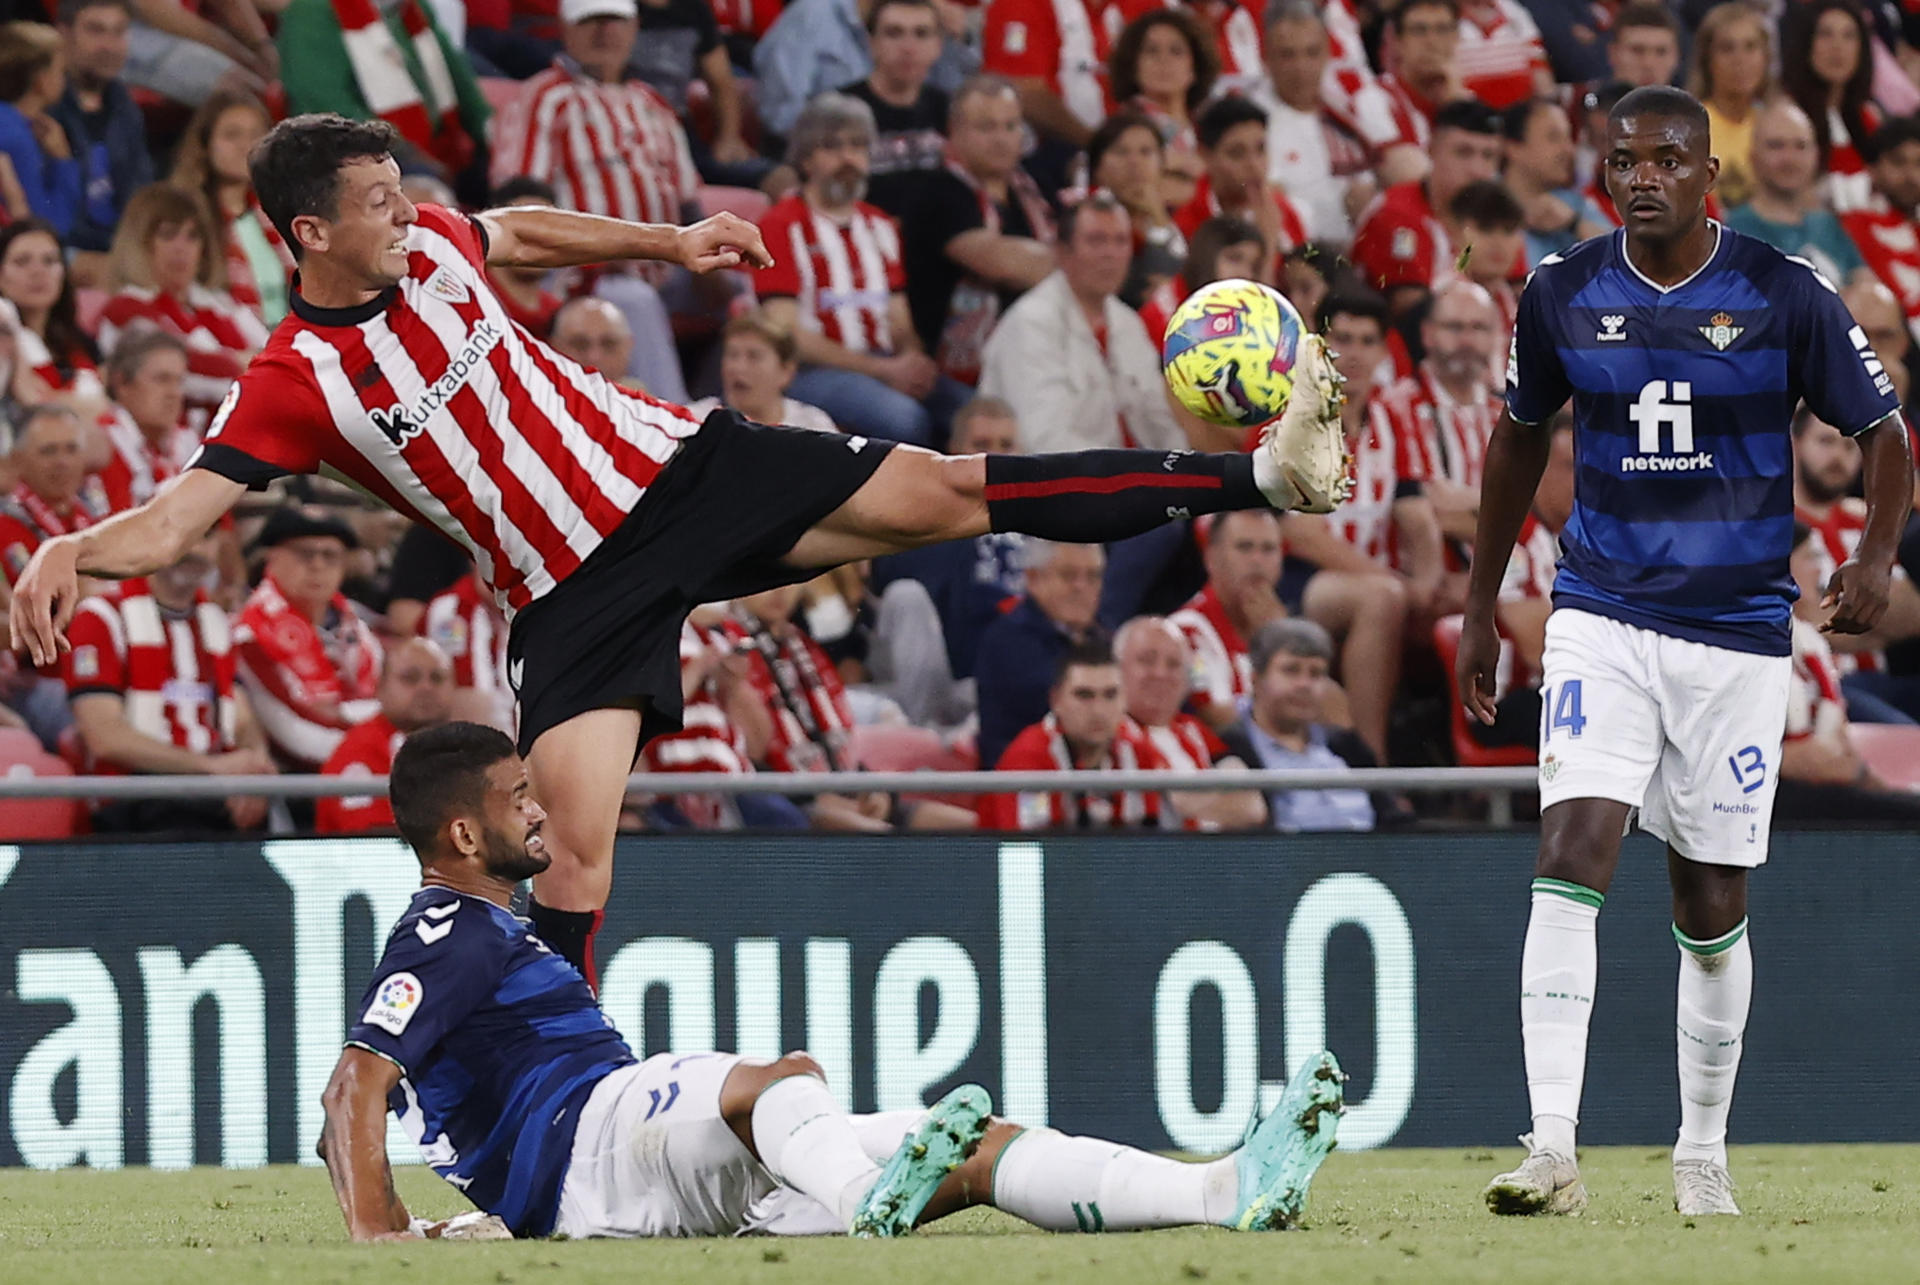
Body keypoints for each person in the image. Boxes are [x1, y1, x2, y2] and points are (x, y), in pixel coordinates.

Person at [8, 111, 1349, 989]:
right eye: (379, 200)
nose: (409, 212)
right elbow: (184, 516)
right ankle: (559, 1111)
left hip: (678, 465)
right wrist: (77, 542)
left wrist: (669, 240)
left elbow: (520, 230)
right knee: (571, 856)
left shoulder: (438, 254)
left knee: (951, 488)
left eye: (406, 189)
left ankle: (1256, 472)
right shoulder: (294, 376)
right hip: (574, 586)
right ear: (311, 234)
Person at [318, 720, 1345, 1241]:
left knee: (973, 1151)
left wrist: (444, 1215)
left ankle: (1224, 1189)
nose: (538, 812)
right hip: (593, 1139)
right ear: (462, 831)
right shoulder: (449, 926)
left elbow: (347, 1114)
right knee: (779, 1080)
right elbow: (354, 1083)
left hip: (609, 1180)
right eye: (517, 799)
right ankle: (865, 1206)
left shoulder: (487, 929)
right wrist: (380, 1233)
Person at [1457, 85, 1911, 1219]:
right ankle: (1551, 1145)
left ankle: (1700, 1149)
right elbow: (1517, 447)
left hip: (1739, 635)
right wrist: (1478, 604)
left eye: (1666, 158)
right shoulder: (1558, 293)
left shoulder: (1783, 291)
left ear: (1713, 176)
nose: (1641, 176)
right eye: (1623, 159)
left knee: (1709, 904)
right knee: (1573, 844)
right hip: (1601, 610)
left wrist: (1876, 558)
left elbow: (1885, 435)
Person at [1280, 293, 1439, 762]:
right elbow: (1299, 533)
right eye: (1342, 339)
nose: (1354, 353)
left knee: (1457, 590)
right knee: (1382, 599)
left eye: (1367, 341)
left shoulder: (1391, 417)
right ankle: (1373, 763)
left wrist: (1427, 584)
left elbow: (1414, 512)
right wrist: (1390, 580)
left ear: (1383, 353)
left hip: (1367, 572)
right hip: (1298, 577)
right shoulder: (1295, 417)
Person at [755, 93, 964, 448]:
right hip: (812, 371)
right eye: (832, 147)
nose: (848, 158)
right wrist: (882, 371)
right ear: (806, 158)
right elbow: (788, 335)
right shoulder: (780, 225)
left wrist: (912, 360)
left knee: (970, 412)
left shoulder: (880, 224)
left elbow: (899, 319)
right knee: (904, 420)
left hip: (882, 363)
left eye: (858, 146)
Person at [62, 527, 274, 832]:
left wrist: (254, 768)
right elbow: (105, 738)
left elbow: (242, 719)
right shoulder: (101, 617)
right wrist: (211, 769)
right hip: (134, 798)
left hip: (211, 794)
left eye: (206, 535)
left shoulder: (215, 621)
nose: (194, 546)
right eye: (183, 532)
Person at [979, 193, 1186, 456]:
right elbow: (1043, 441)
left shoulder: (1128, 323)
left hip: (1122, 480)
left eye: (1120, 241)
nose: (1110, 254)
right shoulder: (1030, 323)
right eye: (1096, 240)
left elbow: (1160, 420)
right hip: (1052, 486)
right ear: (1063, 252)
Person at [866, 397, 1026, 702]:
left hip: (1012, 676)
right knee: (905, 596)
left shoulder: (1040, 521)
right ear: (954, 451)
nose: (993, 456)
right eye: (981, 443)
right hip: (939, 676)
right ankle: (921, 734)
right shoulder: (919, 513)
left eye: (1005, 445)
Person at [899, 76, 1056, 386]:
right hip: (952, 373)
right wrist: (1079, 263)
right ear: (954, 132)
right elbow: (1001, 263)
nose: (1001, 138)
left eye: (1011, 126)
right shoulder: (938, 191)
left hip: (1033, 353)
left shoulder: (1033, 191)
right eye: (986, 127)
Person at [1777, 522, 1920, 821]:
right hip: (1774, 791)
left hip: (1823, 781)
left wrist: (1870, 781)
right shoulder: (1749, 644)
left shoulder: (1808, 643)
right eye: (1810, 558)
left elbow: (1837, 736)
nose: (1820, 571)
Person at [99, 183, 267, 432]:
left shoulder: (220, 303)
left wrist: (242, 366)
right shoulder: (127, 308)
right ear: (140, 243)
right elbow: (189, 371)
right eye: (167, 235)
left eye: (192, 236)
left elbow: (281, 359)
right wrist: (242, 363)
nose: (181, 248)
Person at [1792, 407, 1920, 722]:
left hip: (1885, 679)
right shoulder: (1781, 527)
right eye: (1825, 442)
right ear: (1793, 444)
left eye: (1849, 446)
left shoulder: (1871, 523)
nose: (1838, 456)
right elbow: (1799, 618)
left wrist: (1833, 618)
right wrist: (1875, 610)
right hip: (1824, 687)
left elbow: (1912, 616)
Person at [233, 506, 384, 773]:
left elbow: (391, 704)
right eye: (304, 554)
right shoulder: (250, 635)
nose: (318, 565)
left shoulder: (358, 627)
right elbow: (294, 734)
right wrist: (380, 748)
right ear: (273, 558)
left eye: (330, 555)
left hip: (363, 766)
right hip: (300, 780)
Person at [275, 0, 488, 180]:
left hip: (438, 144)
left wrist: (489, 129)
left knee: (507, 178)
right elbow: (326, 109)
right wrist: (406, 152)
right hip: (355, 158)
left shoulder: (412, 7)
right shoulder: (312, 14)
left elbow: (457, 77)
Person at [982, 638, 1173, 829]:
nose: (1099, 710)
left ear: (1124, 699)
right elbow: (1026, 852)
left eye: (1110, 695)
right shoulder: (1029, 759)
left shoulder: (1140, 752)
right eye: (1084, 695)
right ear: (1056, 700)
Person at [1379, 279, 1504, 548]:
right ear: (1427, 334)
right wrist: (1507, 508)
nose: (1467, 341)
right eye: (1454, 327)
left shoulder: (1506, 415)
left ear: (1495, 336)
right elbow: (1428, 504)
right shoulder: (1397, 405)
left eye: (1479, 328)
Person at [1350, 99, 1503, 318]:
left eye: (1488, 156)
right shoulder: (1397, 214)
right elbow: (1411, 314)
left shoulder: (1496, 217)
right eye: (1464, 153)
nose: (1478, 170)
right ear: (1431, 150)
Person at [1222, 618, 1376, 833]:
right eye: (1291, 670)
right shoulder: (1228, 749)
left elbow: (1394, 821)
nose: (1304, 685)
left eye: (1316, 674)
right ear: (1256, 680)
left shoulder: (1346, 745)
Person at [1115, 612, 1266, 831]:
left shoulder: (1193, 729)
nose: (1160, 673)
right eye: (1147, 660)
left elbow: (1253, 807)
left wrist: (1190, 804)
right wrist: (1215, 805)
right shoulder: (1109, 732)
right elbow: (1169, 807)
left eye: (1174, 664)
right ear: (1118, 668)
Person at [1251, 0, 1379, 246]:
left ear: (1327, 54)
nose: (1301, 67)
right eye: (1288, 55)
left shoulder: (1345, 113)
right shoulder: (1254, 120)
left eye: (1311, 53)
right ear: (1266, 57)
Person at [974, 539, 1106, 771]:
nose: (1081, 586)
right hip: (1023, 782)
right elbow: (1071, 714)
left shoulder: (1101, 636)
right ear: (1034, 579)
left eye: (1093, 576)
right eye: (1068, 575)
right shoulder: (1008, 641)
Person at [167, 89, 289, 325]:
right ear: (205, 145)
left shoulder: (279, 213)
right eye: (232, 135)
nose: (246, 145)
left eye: (256, 134)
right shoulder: (188, 219)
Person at [1723, 98, 1870, 288]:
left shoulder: (1827, 224)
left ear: (1816, 156)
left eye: (1800, 146)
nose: (1790, 159)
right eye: (1776, 145)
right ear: (1752, 156)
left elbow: (1871, 290)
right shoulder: (1735, 231)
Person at [315, 636, 455, 834]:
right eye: (410, 678)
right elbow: (371, 843)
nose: (426, 688)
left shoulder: (464, 746)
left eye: (437, 678)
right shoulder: (359, 750)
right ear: (380, 688)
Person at [51, 0, 155, 263]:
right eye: (96, 31)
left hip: (118, 251)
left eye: (119, 32)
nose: (109, 45)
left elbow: (139, 195)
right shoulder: (41, 106)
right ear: (64, 33)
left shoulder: (125, 107)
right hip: (60, 252)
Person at [1170, 509, 1285, 731]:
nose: (1257, 561)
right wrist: (1275, 643)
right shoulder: (1186, 633)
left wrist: (1280, 635)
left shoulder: (1283, 625)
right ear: (1211, 558)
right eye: (1244, 547)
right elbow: (1223, 722)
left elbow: (1334, 713)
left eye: (1268, 549)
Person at [1173, 96, 1308, 281]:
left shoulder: (1283, 212)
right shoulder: (1186, 216)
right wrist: (1268, 244)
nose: (1254, 165)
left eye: (1260, 149)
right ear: (1205, 156)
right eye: (1237, 154)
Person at [839, 0, 949, 222]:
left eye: (921, 33)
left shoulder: (952, 110)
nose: (908, 47)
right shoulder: (838, 112)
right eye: (894, 33)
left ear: (938, 46)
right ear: (872, 43)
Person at [1108, 9, 1216, 214]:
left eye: (1176, 51)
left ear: (1194, 68)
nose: (1163, 60)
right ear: (1133, 66)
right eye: (1151, 51)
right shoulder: (1122, 126)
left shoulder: (1207, 125)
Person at [1779, 0, 1883, 214]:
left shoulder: (1869, 117)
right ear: (1806, 44)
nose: (1838, 47)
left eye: (1849, 36)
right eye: (1826, 34)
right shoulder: (1786, 117)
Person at [1086, 113, 1185, 309]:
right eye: (1121, 152)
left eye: (1146, 152)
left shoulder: (1174, 216)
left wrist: (1158, 217)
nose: (1134, 162)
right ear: (1097, 169)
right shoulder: (1085, 217)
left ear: (1162, 165)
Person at [687, 310, 838, 433]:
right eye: (732, 355)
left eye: (754, 356)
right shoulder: (695, 421)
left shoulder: (812, 424)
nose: (738, 367)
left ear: (786, 371)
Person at [1502, 98, 1609, 269]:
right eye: (1554, 138)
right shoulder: (1485, 201)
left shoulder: (1575, 205)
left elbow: (1631, 258)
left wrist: (1573, 224)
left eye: (1568, 138)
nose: (1568, 149)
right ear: (1514, 148)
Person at [1841, 114, 1920, 344]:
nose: (1911, 176)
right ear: (1873, 169)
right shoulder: (1855, 227)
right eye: (1898, 162)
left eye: (1918, 164)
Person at [96, 327, 191, 513]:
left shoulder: (186, 439)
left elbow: (225, 529)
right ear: (122, 383)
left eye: (179, 382)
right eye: (162, 380)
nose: (174, 393)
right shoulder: (107, 442)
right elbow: (119, 532)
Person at [1686, 2, 1771, 208]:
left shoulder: (1776, 125)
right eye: (1727, 48)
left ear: (1766, 57)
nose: (1739, 59)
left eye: (1750, 47)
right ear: (1707, 59)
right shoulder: (1690, 126)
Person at [0, 22, 81, 237]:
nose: (66, 79)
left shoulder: (16, 125)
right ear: (41, 80)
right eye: (61, 71)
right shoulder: (16, 138)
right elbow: (50, 227)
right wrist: (63, 159)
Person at [1454, 0, 1552, 111]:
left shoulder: (1513, 10)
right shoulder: (1446, 15)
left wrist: (1546, 104)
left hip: (1520, 111)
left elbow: (1538, 64)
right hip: (1468, 112)